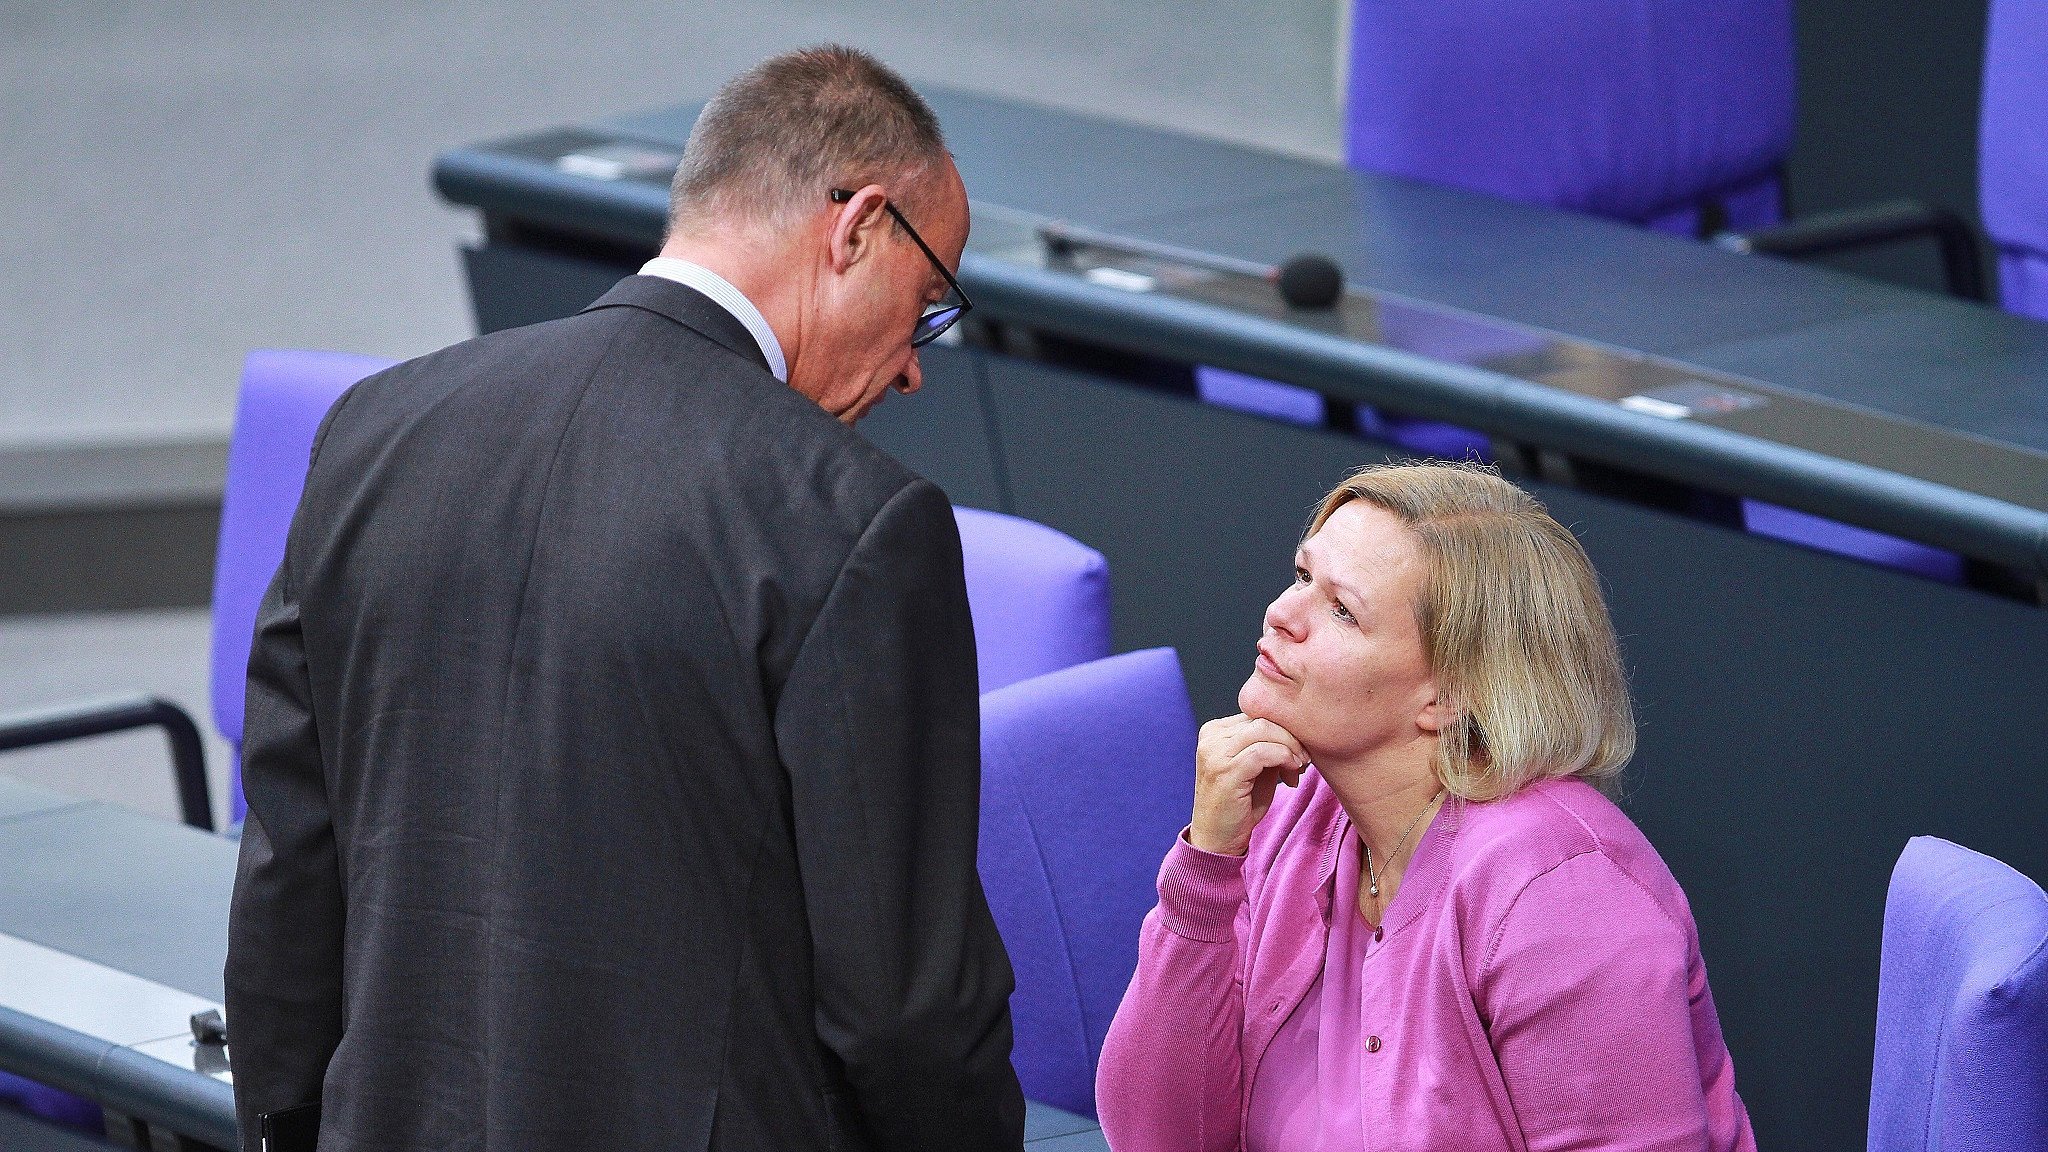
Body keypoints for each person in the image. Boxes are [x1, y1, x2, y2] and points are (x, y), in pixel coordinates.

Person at [225, 46, 1025, 1152]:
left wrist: (287, 1128)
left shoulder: (378, 431)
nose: (911, 367)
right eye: (927, 301)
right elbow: (901, 1009)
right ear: (855, 227)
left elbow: (290, 871)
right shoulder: (851, 519)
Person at [1095, 461, 1755, 1152]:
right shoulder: (1291, 807)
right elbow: (1155, 1137)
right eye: (1300, 578)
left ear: (1447, 696)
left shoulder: (1561, 899)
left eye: (1342, 610)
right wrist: (1206, 871)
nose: (1282, 615)